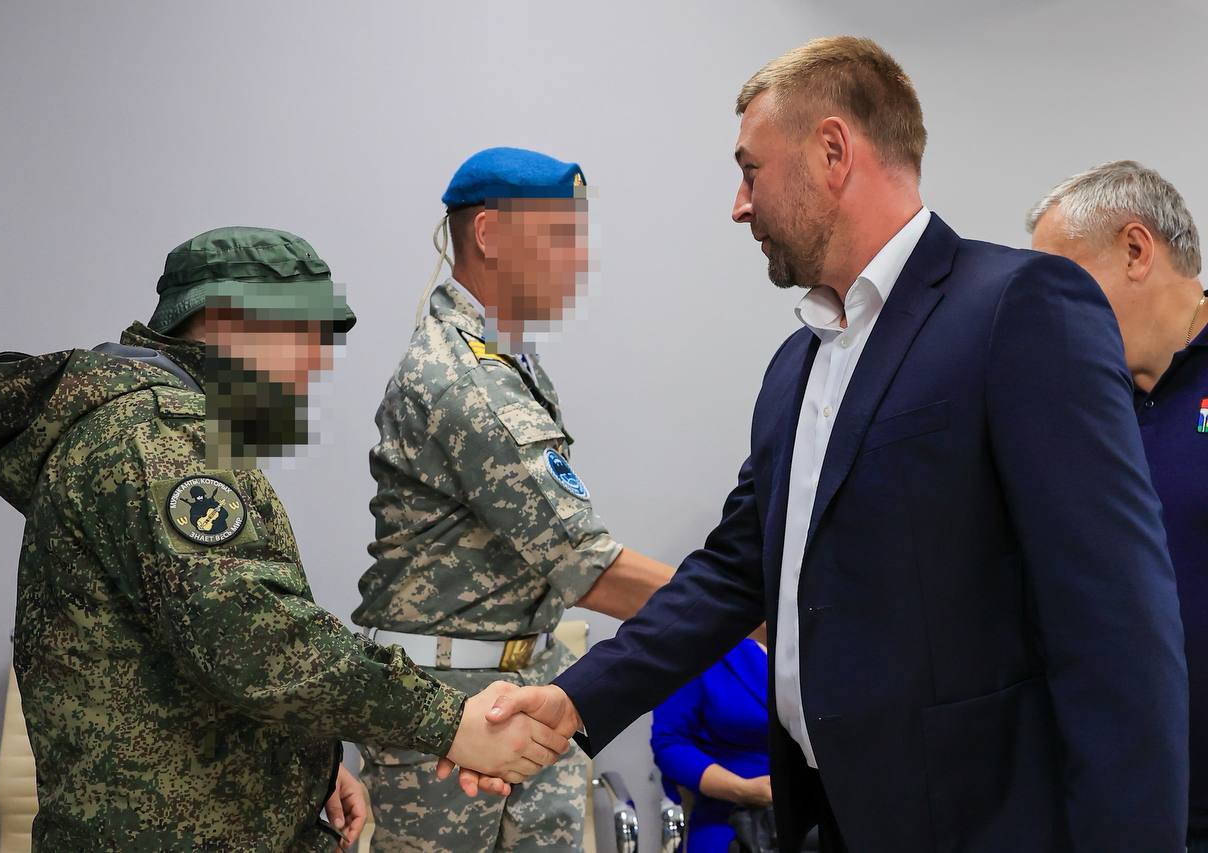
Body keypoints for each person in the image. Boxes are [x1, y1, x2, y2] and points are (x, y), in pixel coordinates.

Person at [475, 37, 1189, 852]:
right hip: (829, 820)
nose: (738, 205)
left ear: (833, 152)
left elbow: (1117, 623)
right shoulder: (796, 366)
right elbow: (734, 571)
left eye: (751, 171)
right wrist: (576, 699)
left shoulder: (1017, 307)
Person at [0, 226, 563, 852]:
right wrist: (449, 722)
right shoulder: (159, 439)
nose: (318, 362)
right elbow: (251, 636)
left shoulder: (154, 429)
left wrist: (303, 763)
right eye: (305, 334)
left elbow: (185, 654)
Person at [353, 147, 675, 851]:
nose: (579, 261)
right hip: (446, 705)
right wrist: (751, 615)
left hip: (530, 678)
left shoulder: (509, 361)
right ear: (490, 235)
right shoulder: (462, 377)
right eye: (559, 237)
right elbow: (586, 566)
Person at [1027, 160, 1208, 852]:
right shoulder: (1081, 408)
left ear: (1136, 249)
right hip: (1124, 810)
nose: (1053, 313)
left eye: (1066, 282)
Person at [651, 628, 772, 851]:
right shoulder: (702, 643)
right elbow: (670, 743)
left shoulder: (824, 639)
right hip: (732, 814)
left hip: (824, 808)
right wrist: (743, 790)